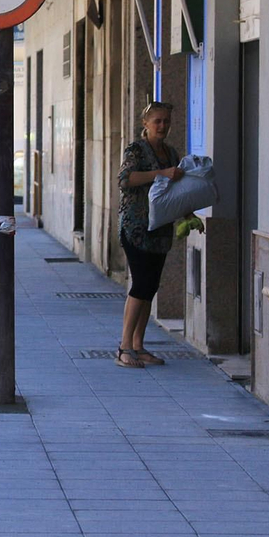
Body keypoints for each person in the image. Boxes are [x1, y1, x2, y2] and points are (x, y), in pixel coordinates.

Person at [115, 100, 183, 367]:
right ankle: (123, 347)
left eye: (166, 121)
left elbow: (177, 190)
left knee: (151, 287)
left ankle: (139, 345)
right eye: (158, 121)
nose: (163, 126)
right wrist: (159, 174)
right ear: (146, 124)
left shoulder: (171, 152)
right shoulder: (136, 150)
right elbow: (125, 180)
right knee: (141, 284)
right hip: (136, 228)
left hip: (161, 229)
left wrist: (187, 215)